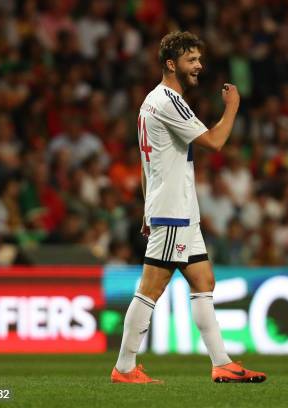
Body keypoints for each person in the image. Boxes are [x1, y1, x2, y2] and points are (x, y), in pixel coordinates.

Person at [111, 31, 266, 384]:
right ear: (171, 64)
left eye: (199, 59)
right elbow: (214, 141)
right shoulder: (169, 101)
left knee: (203, 279)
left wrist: (147, 209)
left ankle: (222, 362)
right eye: (191, 60)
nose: (199, 66)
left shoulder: (149, 101)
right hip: (173, 211)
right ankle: (124, 368)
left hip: (175, 209)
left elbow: (145, 161)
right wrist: (233, 107)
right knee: (151, 288)